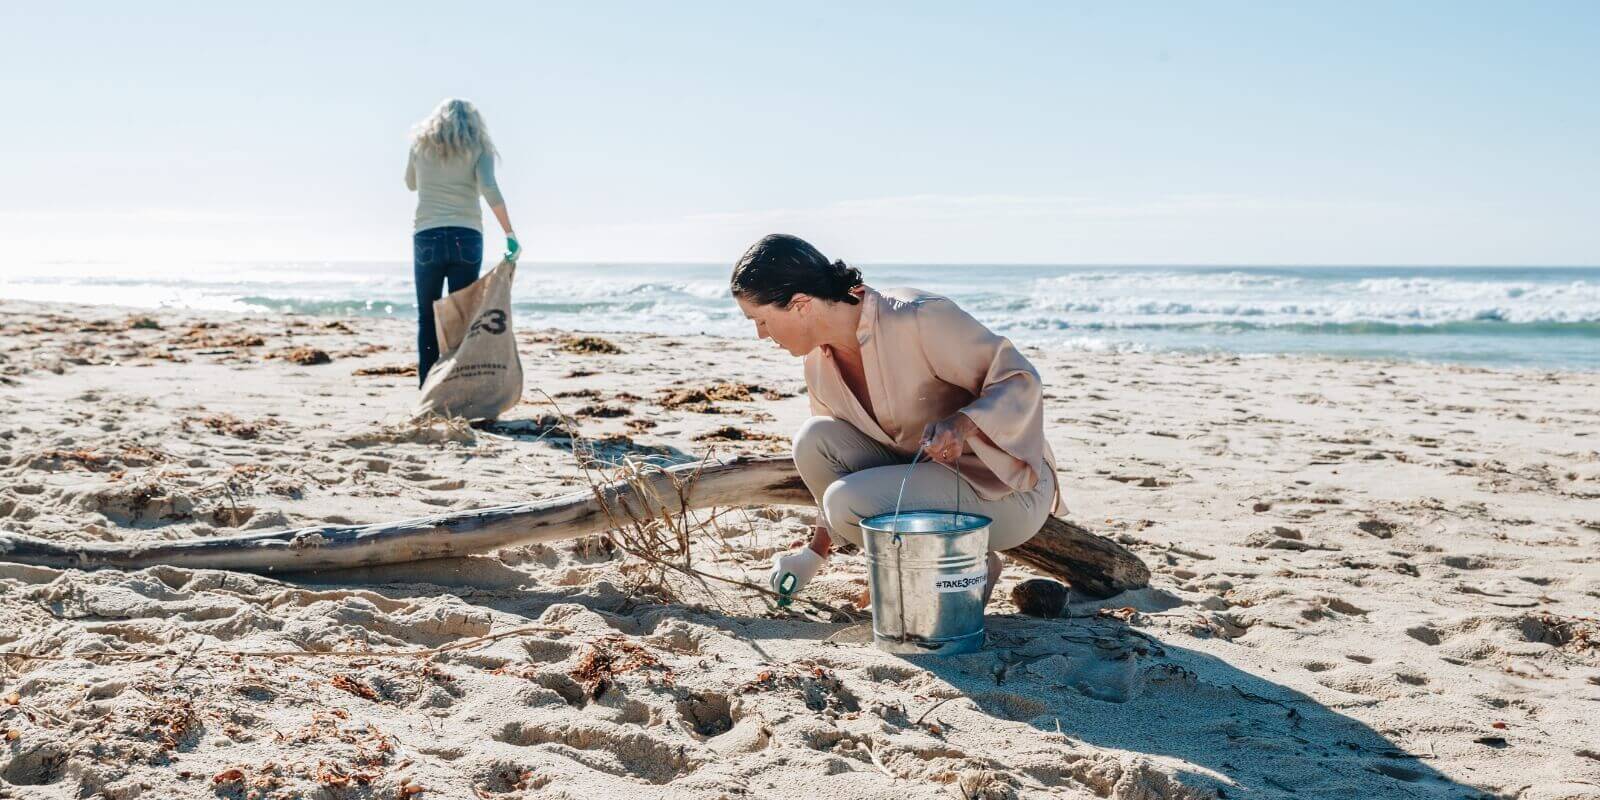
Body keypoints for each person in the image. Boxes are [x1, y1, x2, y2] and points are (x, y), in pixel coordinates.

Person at [730, 234, 1060, 607]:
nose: (760, 334)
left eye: (760, 320)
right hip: (921, 479)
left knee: (846, 502)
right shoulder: (817, 362)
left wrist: (962, 423)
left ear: (801, 305)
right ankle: (941, 566)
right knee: (814, 439)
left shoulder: (917, 316)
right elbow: (831, 472)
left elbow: (1020, 380)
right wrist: (813, 554)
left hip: (1005, 489)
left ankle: (962, 567)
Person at [405, 98, 521, 385]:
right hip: (465, 236)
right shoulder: (479, 146)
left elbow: (410, 183)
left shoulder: (420, 145)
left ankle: (427, 391)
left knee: (427, 317)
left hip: (427, 235)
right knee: (461, 318)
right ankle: (456, 389)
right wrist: (509, 233)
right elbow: (488, 187)